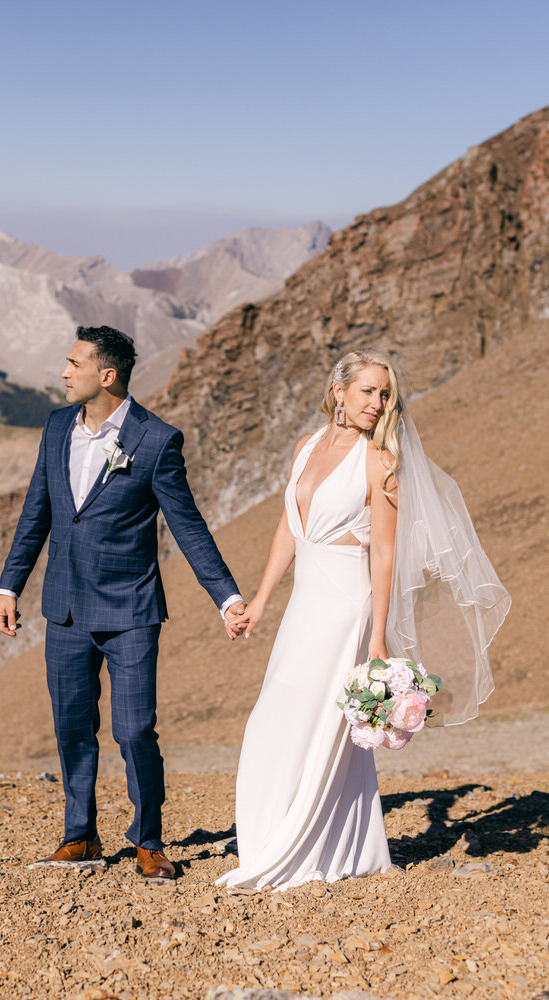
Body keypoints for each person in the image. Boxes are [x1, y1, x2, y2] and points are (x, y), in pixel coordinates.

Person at [219, 349, 510, 890]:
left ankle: (299, 852)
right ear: (338, 390)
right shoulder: (305, 448)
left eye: (385, 395)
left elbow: (384, 552)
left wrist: (376, 635)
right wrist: (259, 601)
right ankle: (314, 843)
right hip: (303, 604)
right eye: (368, 392)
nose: (377, 404)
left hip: (346, 607)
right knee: (274, 720)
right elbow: (289, 529)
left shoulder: (380, 461)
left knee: (315, 724)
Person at [0, 325, 246, 881]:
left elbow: (188, 526)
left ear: (105, 375)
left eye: (72, 363)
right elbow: (37, 511)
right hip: (63, 608)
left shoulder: (156, 440)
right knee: (71, 725)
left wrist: (226, 596)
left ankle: (148, 840)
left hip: (130, 611)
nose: (63, 372)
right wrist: (10, 585)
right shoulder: (57, 426)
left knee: (134, 730)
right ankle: (79, 836)